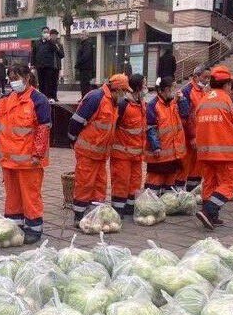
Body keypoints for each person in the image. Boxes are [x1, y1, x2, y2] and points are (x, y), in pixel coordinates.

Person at [0, 64, 51, 244]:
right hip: (9, 160)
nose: (13, 82)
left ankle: (34, 228)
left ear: (27, 78)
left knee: (30, 196)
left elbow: (43, 129)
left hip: (29, 161)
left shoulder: (38, 100)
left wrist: (37, 154)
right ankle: (14, 226)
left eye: (16, 78)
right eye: (11, 79)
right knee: (12, 197)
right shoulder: (6, 98)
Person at [68, 74, 132, 225]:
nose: (125, 96)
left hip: (101, 153)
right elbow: (76, 121)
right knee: (84, 183)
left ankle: (95, 214)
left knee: (99, 184)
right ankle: (79, 215)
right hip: (88, 151)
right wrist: (72, 139)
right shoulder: (96, 98)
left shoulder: (113, 102)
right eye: (124, 92)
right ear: (117, 90)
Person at [193, 65, 233, 230]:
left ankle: (210, 216)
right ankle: (209, 211)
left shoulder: (203, 99)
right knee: (228, 184)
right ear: (227, 84)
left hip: (205, 153)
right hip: (226, 153)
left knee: (210, 183)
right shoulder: (226, 100)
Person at [144, 76, 191, 193]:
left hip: (173, 153)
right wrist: (156, 146)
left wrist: (183, 100)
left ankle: (167, 207)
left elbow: (185, 114)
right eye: (171, 89)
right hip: (159, 153)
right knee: (154, 182)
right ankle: (151, 206)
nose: (173, 92)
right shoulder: (153, 105)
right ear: (162, 90)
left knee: (169, 184)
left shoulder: (174, 103)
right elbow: (151, 128)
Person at [110, 73, 146, 217]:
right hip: (122, 154)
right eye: (143, 84)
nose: (145, 87)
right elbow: (114, 126)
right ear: (137, 87)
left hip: (137, 153)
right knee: (121, 182)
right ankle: (118, 209)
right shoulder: (123, 104)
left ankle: (130, 207)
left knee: (135, 182)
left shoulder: (140, 103)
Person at [180, 66, 211, 191]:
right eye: (205, 77)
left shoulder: (204, 91)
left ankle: (193, 192)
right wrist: (192, 136)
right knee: (185, 166)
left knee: (197, 167)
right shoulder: (187, 91)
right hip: (189, 137)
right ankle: (180, 192)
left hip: (200, 135)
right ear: (196, 77)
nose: (207, 80)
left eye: (209, 77)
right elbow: (187, 116)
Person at [32, 27, 63, 102]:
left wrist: (49, 40)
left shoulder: (51, 42)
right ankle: (42, 98)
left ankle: (49, 97)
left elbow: (56, 51)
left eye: (47, 32)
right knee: (41, 83)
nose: (45, 33)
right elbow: (34, 54)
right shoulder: (37, 43)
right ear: (41, 33)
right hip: (40, 66)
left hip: (49, 66)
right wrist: (33, 64)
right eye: (44, 32)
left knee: (49, 83)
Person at [75, 31, 95, 97]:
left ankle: (86, 98)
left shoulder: (88, 43)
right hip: (83, 67)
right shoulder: (83, 44)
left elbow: (86, 55)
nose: (81, 36)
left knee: (85, 84)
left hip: (86, 67)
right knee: (83, 84)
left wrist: (78, 63)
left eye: (82, 34)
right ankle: (84, 97)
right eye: (80, 34)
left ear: (87, 35)